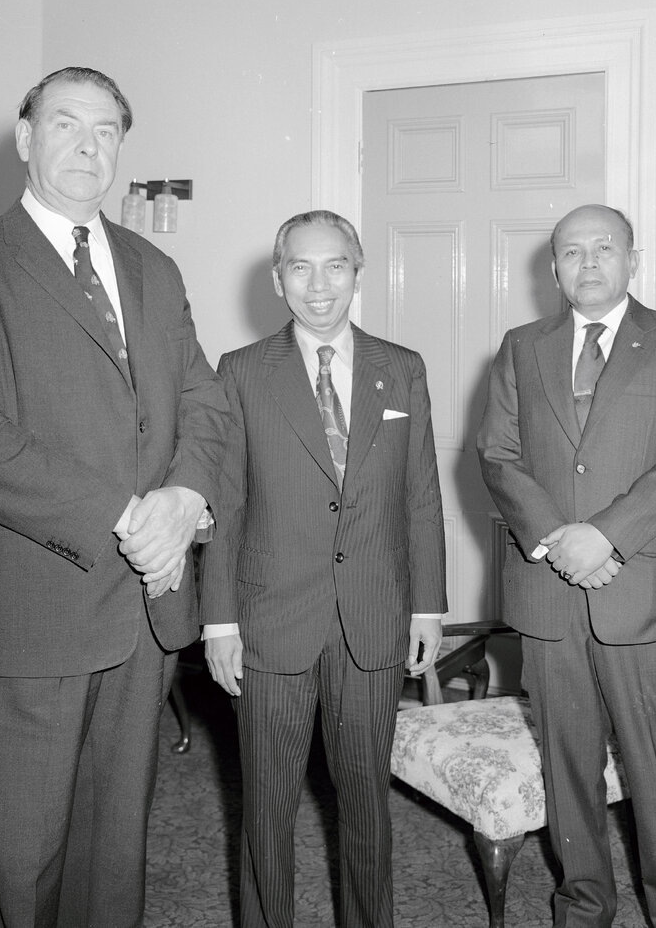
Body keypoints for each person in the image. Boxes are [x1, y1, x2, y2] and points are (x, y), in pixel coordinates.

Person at [0, 66, 228, 928]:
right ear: (25, 139)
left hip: (142, 613)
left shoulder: (154, 269)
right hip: (26, 610)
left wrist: (186, 495)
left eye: (107, 131)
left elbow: (202, 401)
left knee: (109, 857)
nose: (89, 146)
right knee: (15, 862)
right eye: (66, 125)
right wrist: (129, 517)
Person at [201, 209, 447, 928]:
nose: (319, 285)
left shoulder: (401, 368)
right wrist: (219, 622)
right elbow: (229, 504)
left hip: (372, 616)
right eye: (301, 268)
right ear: (278, 279)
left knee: (366, 797)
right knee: (268, 805)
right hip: (270, 620)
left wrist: (427, 606)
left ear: (358, 273)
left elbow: (422, 495)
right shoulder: (242, 372)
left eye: (335, 265)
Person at [477, 204, 656, 928]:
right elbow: (498, 455)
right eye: (572, 252)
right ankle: (583, 906)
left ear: (632, 259)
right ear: (552, 268)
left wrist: (605, 537)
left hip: (642, 591)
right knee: (566, 764)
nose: (588, 264)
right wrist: (556, 537)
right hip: (548, 594)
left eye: (603, 249)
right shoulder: (521, 345)